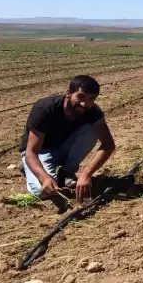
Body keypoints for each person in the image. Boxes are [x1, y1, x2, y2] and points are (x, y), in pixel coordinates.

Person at [20, 75, 116, 203]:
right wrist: (44, 178)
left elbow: (108, 144)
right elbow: (31, 152)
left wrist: (86, 174)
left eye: (91, 99)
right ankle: (29, 167)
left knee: (92, 128)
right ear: (68, 94)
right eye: (81, 96)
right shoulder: (45, 108)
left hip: (64, 148)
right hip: (40, 152)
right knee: (42, 190)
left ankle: (66, 172)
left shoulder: (93, 111)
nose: (85, 103)